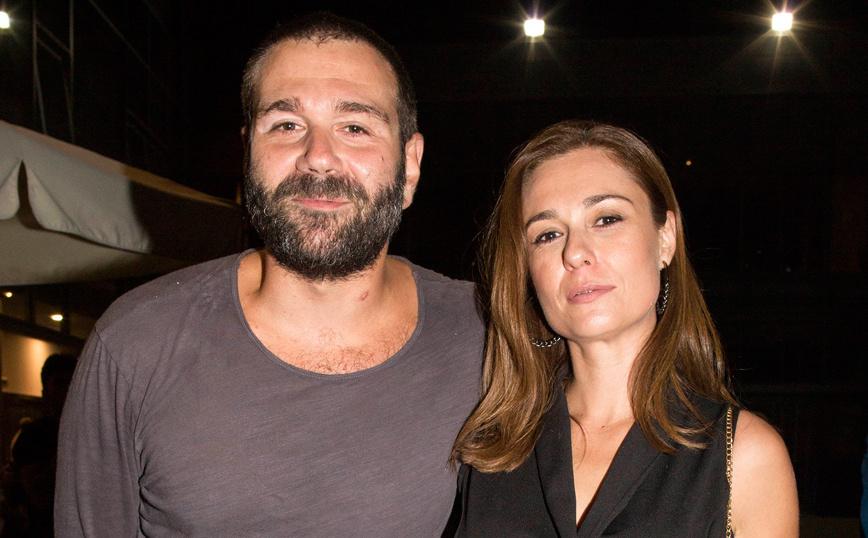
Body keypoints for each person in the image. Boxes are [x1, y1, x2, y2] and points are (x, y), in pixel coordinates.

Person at [55, 13, 483, 537]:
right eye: (286, 125)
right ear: (247, 154)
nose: (318, 158)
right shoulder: (134, 344)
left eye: (355, 127)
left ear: (410, 164)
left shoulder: (487, 336)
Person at [451, 121, 798, 536]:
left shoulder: (744, 457)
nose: (575, 252)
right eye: (547, 234)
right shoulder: (493, 450)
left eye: (606, 219)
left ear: (665, 239)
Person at [2, 353, 77, 538]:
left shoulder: (91, 432)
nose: (68, 390)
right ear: (45, 392)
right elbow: (41, 497)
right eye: (60, 383)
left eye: (73, 383)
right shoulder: (33, 435)